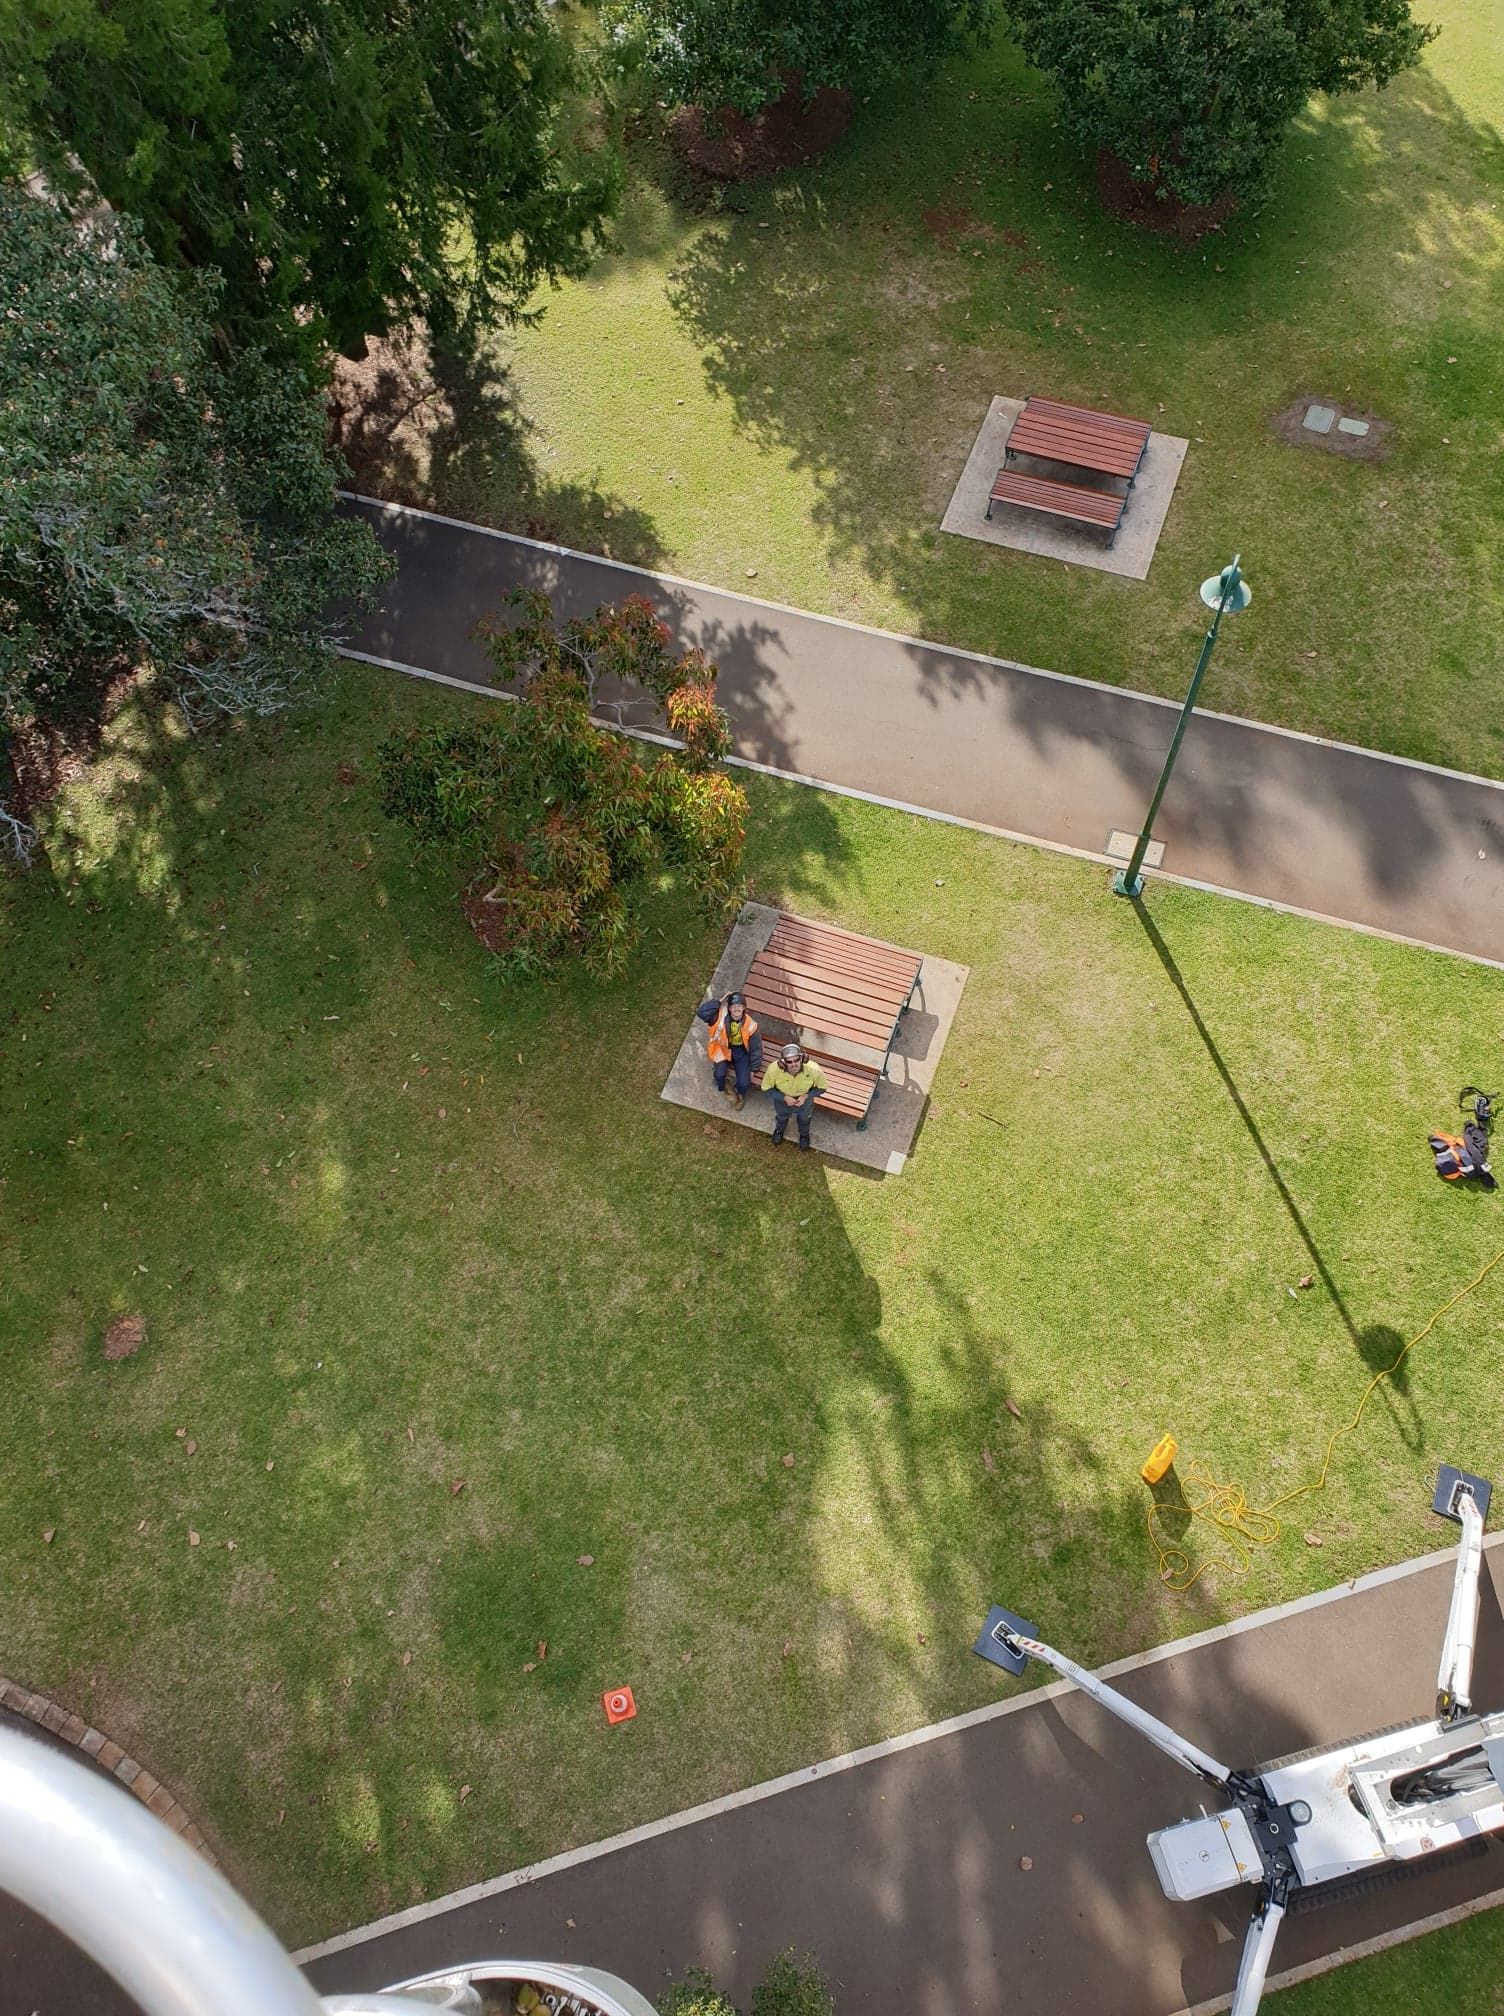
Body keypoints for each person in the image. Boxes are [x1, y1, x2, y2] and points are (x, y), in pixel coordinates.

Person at [697, 989, 763, 1109]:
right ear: (729, 1008)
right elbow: (702, 1012)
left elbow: (756, 1049)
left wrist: (754, 1069)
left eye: (740, 1006)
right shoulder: (719, 1017)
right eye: (734, 1006)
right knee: (719, 1075)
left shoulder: (751, 1025)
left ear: (744, 1008)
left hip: (741, 1053)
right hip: (722, 1049)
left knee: (744, 1082)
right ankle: (724, 1086)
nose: (737, 1009)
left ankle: (739, 1096)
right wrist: (720, 1001)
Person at [761, 1041, 828, 1150]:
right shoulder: (773, 1069)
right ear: (782, 1062)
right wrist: (784, 1097)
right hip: (782, 1102)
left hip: (805, 1102)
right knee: (781, 1118)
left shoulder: (814, 1069)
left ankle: (804, 1135)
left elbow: (822, 1088)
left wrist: (806, 1096)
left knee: (804, 1120)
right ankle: (779, 1131)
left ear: (802, 1058)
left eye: (797, 1060)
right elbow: (766, 1088)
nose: (794, 1064)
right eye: (789, 1061)